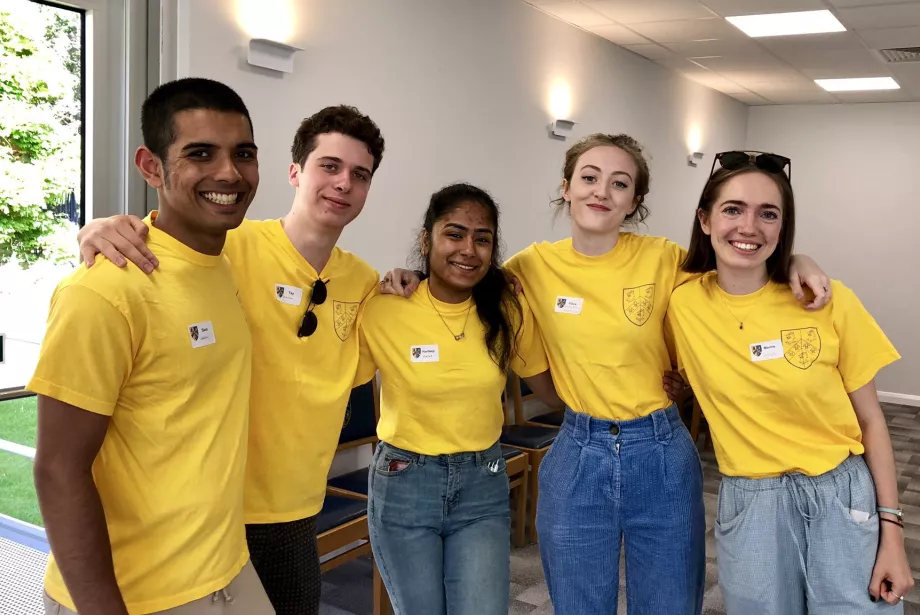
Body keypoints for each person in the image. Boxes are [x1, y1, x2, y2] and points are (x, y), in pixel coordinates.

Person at [381, 134, 832, 614]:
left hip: (660, 452)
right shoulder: (531, 266)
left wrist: (797, 261)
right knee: (578, 604)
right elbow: (463, 278)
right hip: (578, 452)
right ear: (567, 187)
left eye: (620, 184)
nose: (602, 192)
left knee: (669, 604)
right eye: (589, 178)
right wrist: (408, 276)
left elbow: (738, 278)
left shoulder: (664, 259)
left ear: (634, 201)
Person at [74, 106, 386, 615]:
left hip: (294, 512)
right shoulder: (228, 248)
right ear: (295, 173)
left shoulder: (365, 284)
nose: (343, 183)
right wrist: (98, 228)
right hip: (211, 511)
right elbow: (152, 259)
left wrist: (409, 282)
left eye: (359, 174)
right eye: (329, 166)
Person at [29, 78, 273, 614]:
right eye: (200, 153)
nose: (229, 172)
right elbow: (57, 469)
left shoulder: (224, 264)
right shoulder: (104, 290)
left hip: (226, 569)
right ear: (151, 166)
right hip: (136, 595)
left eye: (244, 154)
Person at [665, 151, 912, 614]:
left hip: (840, 493)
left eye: (768, 214)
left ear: (782, 228)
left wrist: (892, 532)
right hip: (751, 502)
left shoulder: (826, 301)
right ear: (705, 219)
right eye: (733, 209)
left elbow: (872, 421)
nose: (749, 226)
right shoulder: (680, 302)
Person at [354, 183, 558, 615]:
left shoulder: (506, 311)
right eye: (455, 233)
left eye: (482, 239)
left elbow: (551, 387)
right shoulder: (384, 308)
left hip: (481, 483)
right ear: (426, 239)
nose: (468, 249)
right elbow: (328, 380)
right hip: (405, 480)